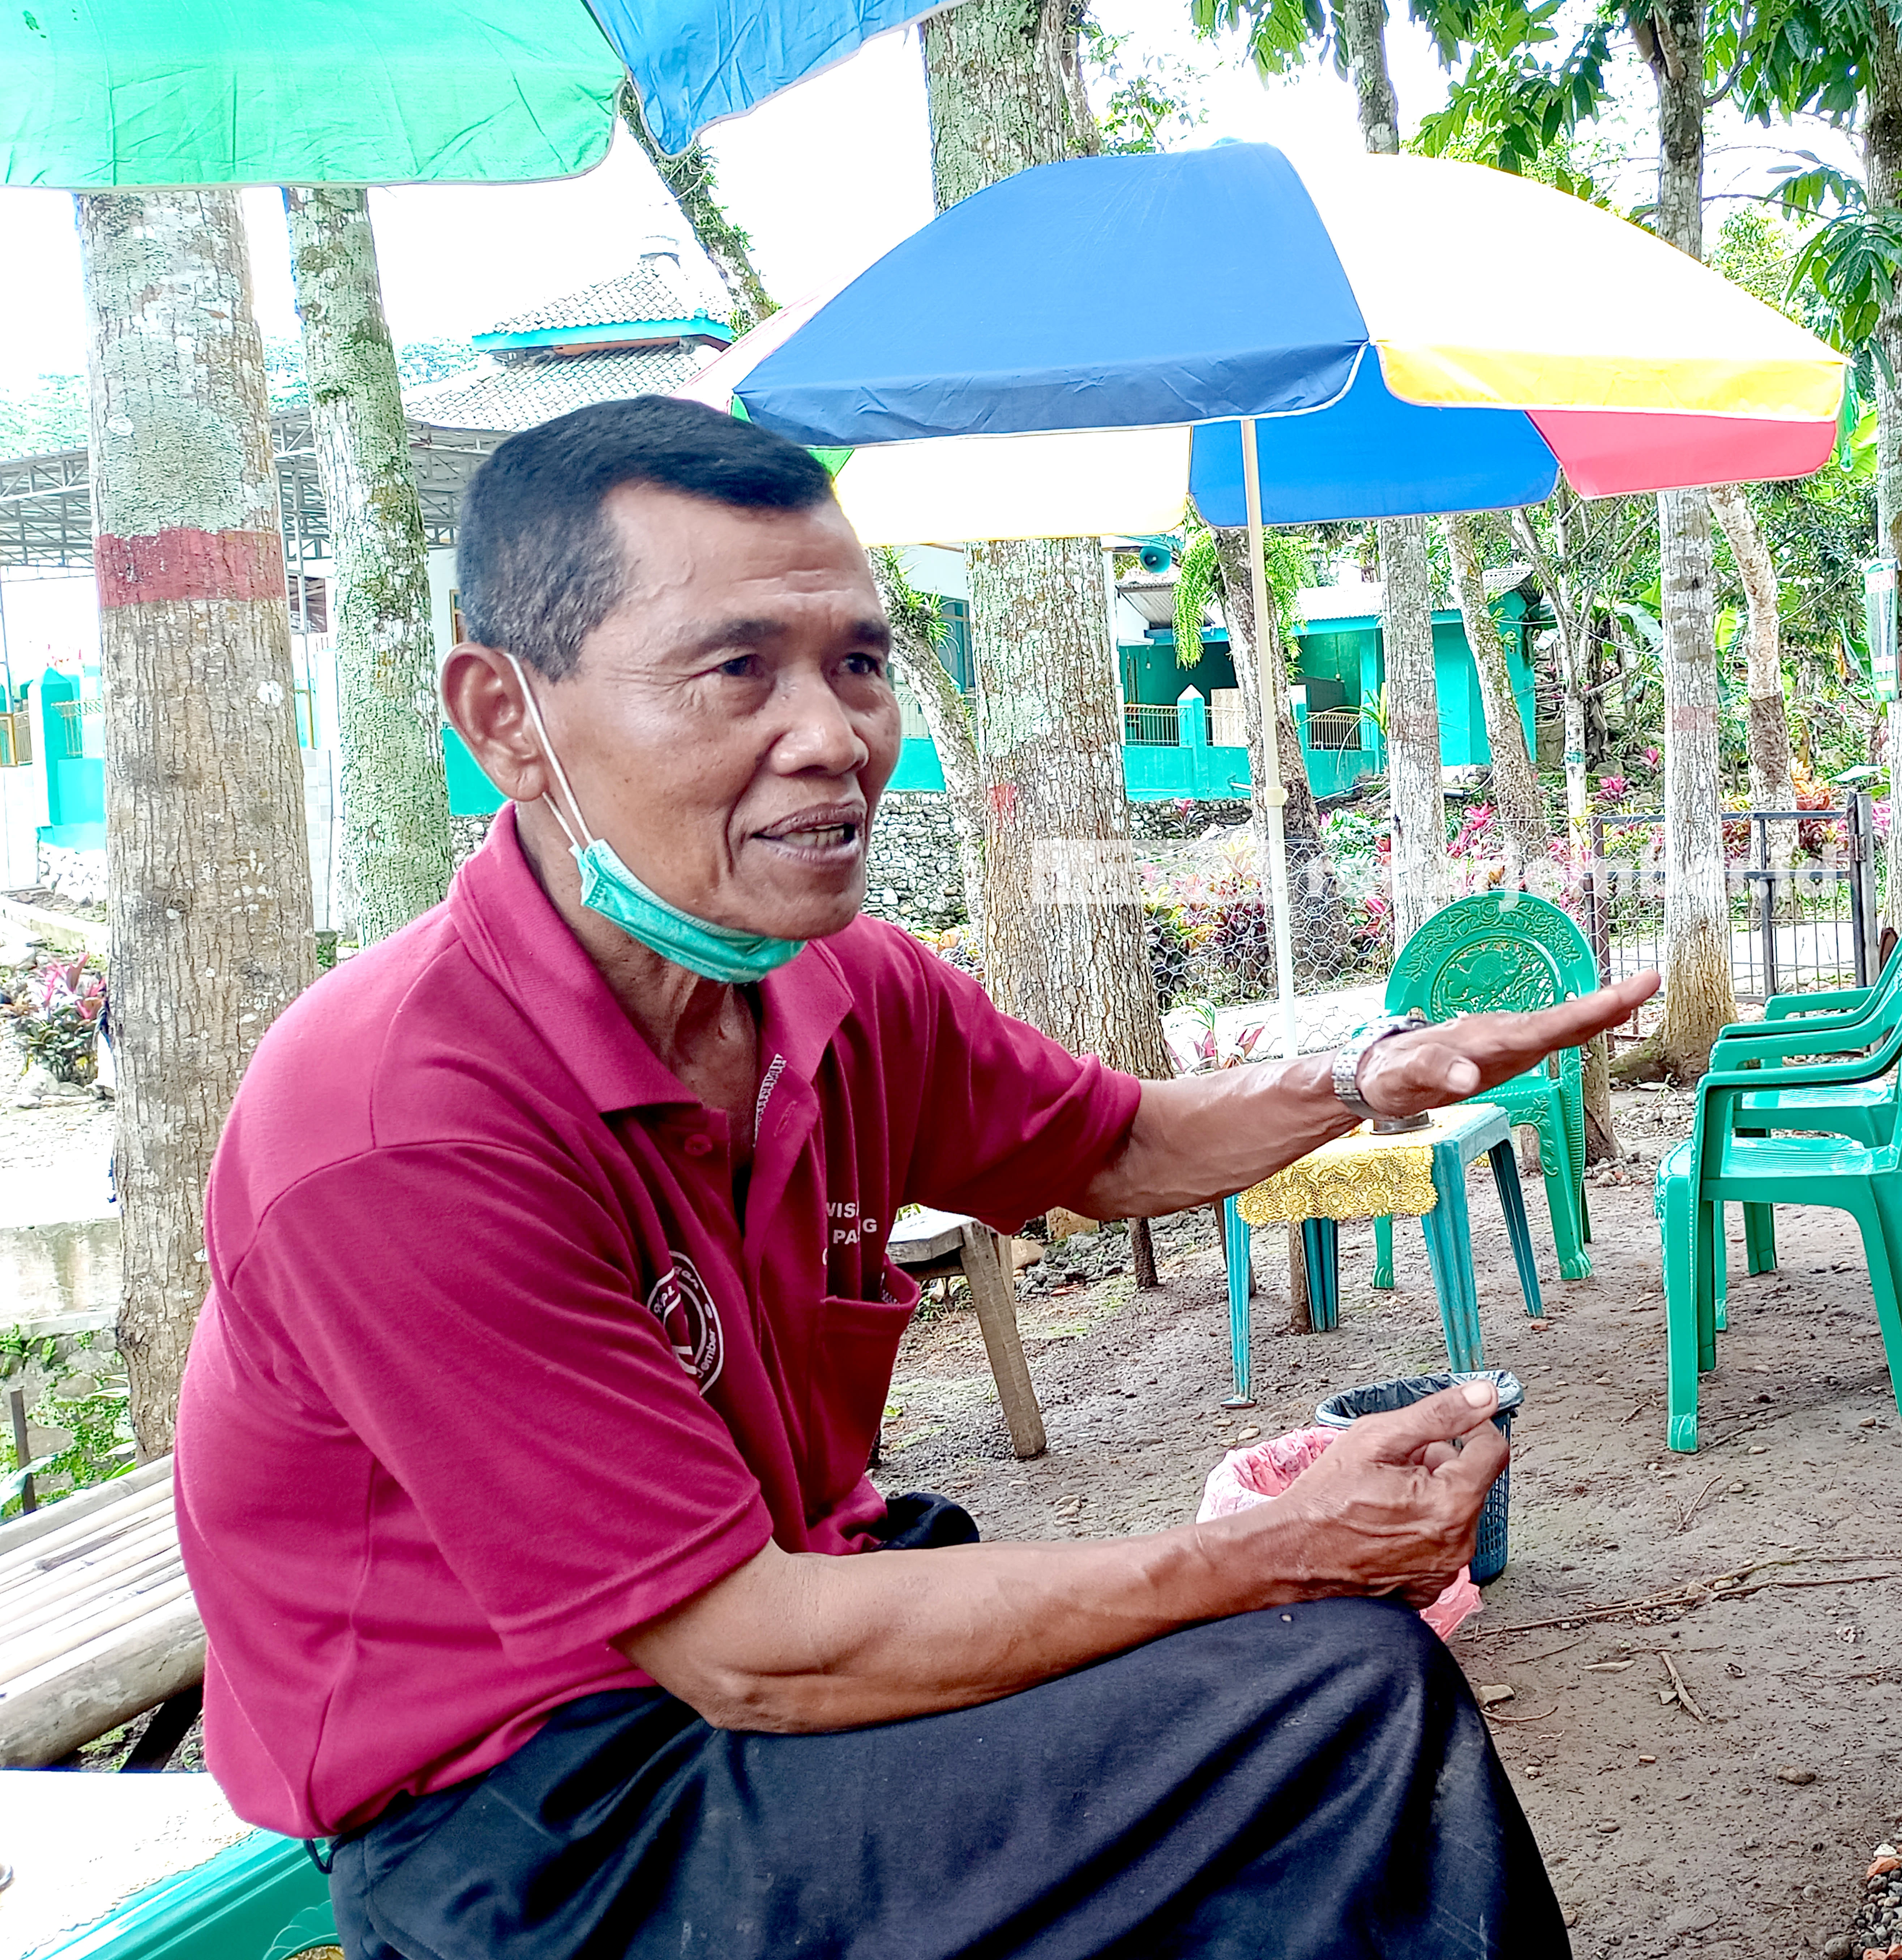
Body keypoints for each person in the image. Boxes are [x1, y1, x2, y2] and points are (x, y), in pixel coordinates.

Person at [174, 397, 1655, 1960]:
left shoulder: (835, 986)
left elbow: (1114, 1144)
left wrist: (1363, 1075)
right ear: (502, 719)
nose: (832, 735)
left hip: (780, 1651)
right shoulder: (404, 1125)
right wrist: (1265, 1555)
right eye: (736, 668)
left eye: (860, 664)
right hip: (542, 1817)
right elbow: (749, 1655)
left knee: (1297, 1678)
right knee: (1334, 1703)